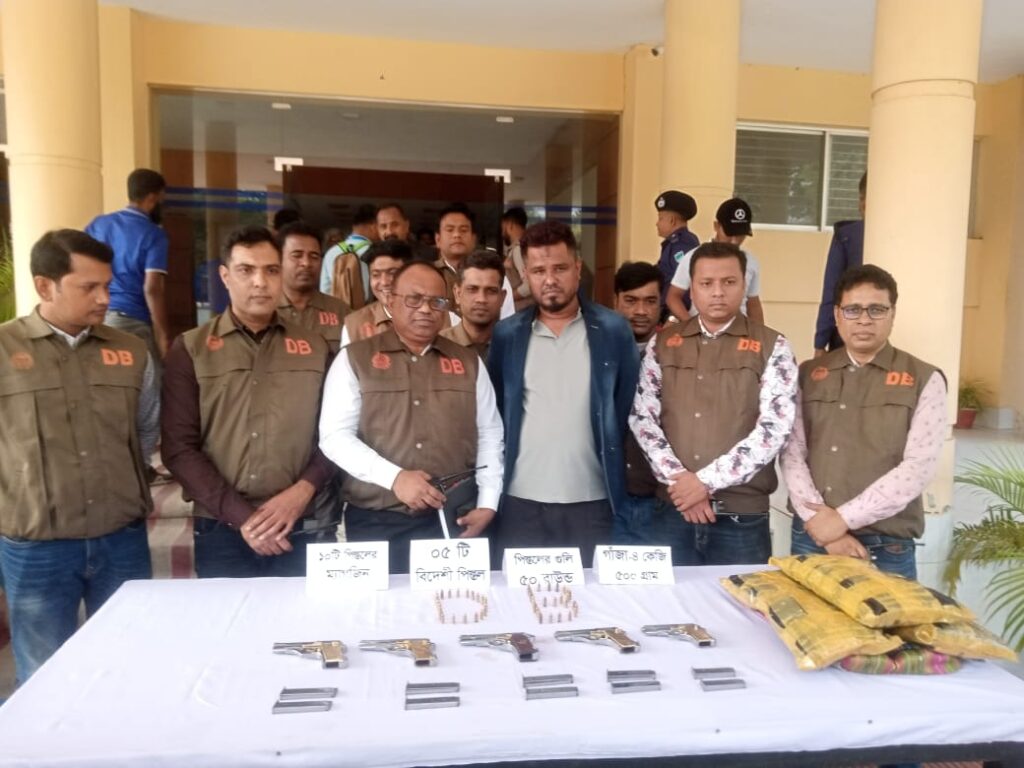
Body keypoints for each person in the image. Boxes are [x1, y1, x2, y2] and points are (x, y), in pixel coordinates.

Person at [0, 229, 157, 684]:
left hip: (121, 539)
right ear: (44, 286)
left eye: (107, 285)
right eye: (89, 287)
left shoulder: (131, 351)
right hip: (37, 546)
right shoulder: (5, 350)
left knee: (127, 666)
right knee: (45, 675)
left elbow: (146, 429)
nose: (105, 298)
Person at [161, 226, 334, 578]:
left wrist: (302, 492)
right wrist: (245, 519)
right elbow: (178, 448)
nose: (260, 282)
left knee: (299, 616)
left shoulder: (315, 348)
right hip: (220, 526)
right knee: (228, 615)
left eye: (271, 270)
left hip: (299, 521)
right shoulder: (191, 349)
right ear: (225, 276)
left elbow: (334, 436)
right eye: (246, 270)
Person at [319, 262, 504, 573]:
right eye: (414, 299)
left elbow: (489, 433)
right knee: (379, 603)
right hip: (376, 519)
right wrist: (395, 478)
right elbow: (334, 437)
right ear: (390, 301)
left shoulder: (468, 362)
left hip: (453, 518)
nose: (426, 309)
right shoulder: (355, 359)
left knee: (452, 602)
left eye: (437, 301)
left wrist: (488, 502)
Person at [631, 242, 798, 566]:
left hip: (740, 517)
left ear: (744, 284)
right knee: (669, 599)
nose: (718, 292)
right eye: (706, 283)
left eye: (729, 282)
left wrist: (704, 483)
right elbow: (643, 417)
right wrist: (682, 482)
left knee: (739, 599)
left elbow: (774, 429)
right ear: (691, 288)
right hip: (673, 510)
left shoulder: (772, 346)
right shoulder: (663, 343)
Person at [488, 221, 639, 567]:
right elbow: (497, 409)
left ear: (577, 269)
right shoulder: (507, 335)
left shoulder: (613, 329)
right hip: (520, 501)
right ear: (526, 275)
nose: (550, 279)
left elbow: (625, 405)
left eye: (559, 268)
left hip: (593, 500)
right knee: (520, 596)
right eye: (538, 270)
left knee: (588, 596)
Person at [781, 265, 945, 579]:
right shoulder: (809, 374)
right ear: (837, 315)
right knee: (805, 614)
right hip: (812, 536)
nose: (864, 320)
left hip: (886, 545)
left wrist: (842, 520)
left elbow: (918, 467)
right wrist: (823, 527)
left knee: (885, 615)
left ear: (892, 313)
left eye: (876, 309)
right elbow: (791, 452)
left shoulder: (924, 378)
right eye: (853, 309)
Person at [85, 168, 170, 362]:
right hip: (131, 322)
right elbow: (152, 289)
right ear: (152, 198)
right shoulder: (154, 235)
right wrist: (162, 336)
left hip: (96, 321)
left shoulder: (98, 225)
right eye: (161, 199)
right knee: (149, 379)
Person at [612, 261, 664, 544]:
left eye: (650, 301)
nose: (641, 311)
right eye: (631, 301)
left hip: (662, 500)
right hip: (606, 497)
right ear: (616, 301)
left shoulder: (677, 356)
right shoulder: (596, 351)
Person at [665, 198, 764, 325]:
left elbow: (753, 304)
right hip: (702, 330)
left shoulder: (751, 261)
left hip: (740, 332)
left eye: (740, 235)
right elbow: (673, 297)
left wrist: (760, 334)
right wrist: (692, 326)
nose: (734, 241)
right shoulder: (693, 257)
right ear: (716, 226)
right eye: (729, 234)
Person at [813, 172, 867, 356]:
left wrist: (820, 343)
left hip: (846, 337)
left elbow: (832, 291)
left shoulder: (846, 236)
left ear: (863, 201)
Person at [276, 221, 350, 353]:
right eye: (297, 255)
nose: (306, 263)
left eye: (314, 256)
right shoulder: (263, 310)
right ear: (279, 260)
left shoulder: (340, 311)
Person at [434, 202, 515, 319]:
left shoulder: (494, 276)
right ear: (438, 239)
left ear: (473, 239)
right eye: (450, 230)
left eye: (463, 230)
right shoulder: (428, 276)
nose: (457, 235)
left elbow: (507, 320)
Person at [341, 238, 415, 347]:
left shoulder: (437, 317)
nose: (384, 282)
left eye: (392, 273)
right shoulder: (354, 325)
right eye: (376, 275)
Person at [440, 249, 506, 359]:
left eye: (491, 291)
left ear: (502, 298)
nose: (481, 299)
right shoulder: (438, 346)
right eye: (472, 289)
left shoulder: (516, 346)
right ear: (457, 294)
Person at [321, 203, 378, 304]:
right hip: (367, 310)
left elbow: (324, 290)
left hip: (337, 310)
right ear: (374, 226)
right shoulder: (375, 252)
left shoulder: (331, 252)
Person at [654, 190, 699, 310]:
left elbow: (685, 283)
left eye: (660, 218)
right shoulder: (675, 243)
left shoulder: (681, 245)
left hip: (675, 312)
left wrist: (674, 315)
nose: (657, 223)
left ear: (672, 220)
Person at [501, 206, 533, 311]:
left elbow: (528, 286)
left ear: (509, 225)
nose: (502, 232)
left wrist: (506, 297)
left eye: (503, 228)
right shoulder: (526, 247)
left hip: (522, 311)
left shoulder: (518, 250)